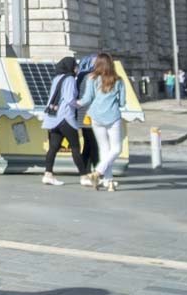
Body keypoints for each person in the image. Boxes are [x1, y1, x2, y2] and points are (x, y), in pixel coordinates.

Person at [79, 52, 129, 191]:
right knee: (116, 149)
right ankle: (98, 172)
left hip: (95, 117)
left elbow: (87, 99)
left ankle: (108, 181)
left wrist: (76, 103)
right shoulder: (118, 80)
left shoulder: (91, 78)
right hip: (113, 117)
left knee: (104, 149)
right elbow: (123, 102)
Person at [41, 55, 90, 187]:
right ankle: (84, 176)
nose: (77, 68)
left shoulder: (57, 78)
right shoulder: (69, 79)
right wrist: (79, 103)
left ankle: (48, 174)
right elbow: (69, 99)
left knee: (53, 147)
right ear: (71, 67)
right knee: (75, 147)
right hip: (65, 117)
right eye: (75, 66)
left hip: (53, 118)